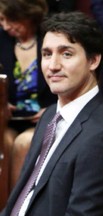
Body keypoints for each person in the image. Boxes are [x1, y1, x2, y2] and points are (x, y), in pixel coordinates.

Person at [0, 11, 103, 215]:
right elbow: (22, 198)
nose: (53, 66)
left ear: (93, 60)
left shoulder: (102, 138)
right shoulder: (50, 115)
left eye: (66, 54)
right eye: (47, 54)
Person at [0, 0, 57, 189]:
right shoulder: (1, 39)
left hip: (43, 117)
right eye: (2, 19)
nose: (5, 25)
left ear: (27, 15)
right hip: (9, 118)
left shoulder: (52, 39)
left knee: (23, 143)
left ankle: (19, 208)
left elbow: (71, 82)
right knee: (4, 141)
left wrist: (52, 110)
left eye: (11, 19)